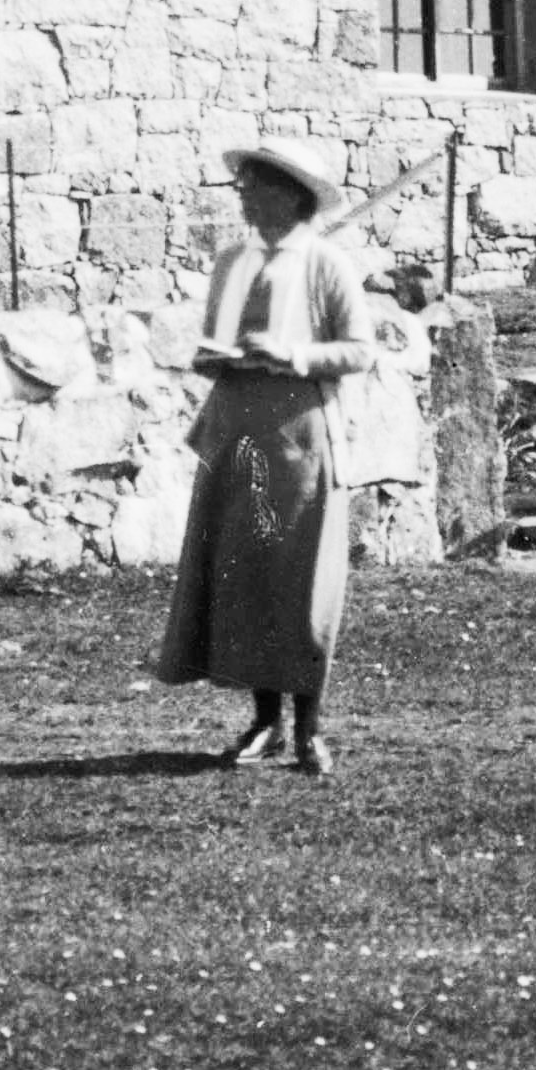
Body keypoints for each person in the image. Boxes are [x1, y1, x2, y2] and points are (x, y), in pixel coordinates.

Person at [150, 139, 377, 774]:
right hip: (236, 434)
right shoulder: (231, 262)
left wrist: (293, 355)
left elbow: (359, 350)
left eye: (252, 185)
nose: (243, 195)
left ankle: (310, 727)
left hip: (300, 437)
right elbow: (212, 340)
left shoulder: (325, 264)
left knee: (300, 580)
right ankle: (264, 722)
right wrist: (211, 356)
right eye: (242, 185)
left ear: (288, 193)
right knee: (246, 577)